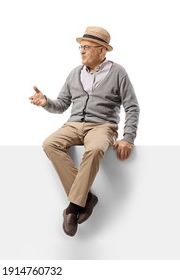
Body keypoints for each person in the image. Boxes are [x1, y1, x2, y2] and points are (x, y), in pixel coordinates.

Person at [29, 26, 140, 237]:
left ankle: (72, 208)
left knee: (96, 148)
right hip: (73, 125)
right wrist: (46, 102)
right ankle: (86, 198)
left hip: (102, 125)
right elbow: (62, 104)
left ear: (102, 50)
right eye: (81, 47)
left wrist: (128, 137)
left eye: (87, 47)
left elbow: (132, 106)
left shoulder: (118, 72)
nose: (81, 51)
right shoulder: (74, 73)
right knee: (49, 143)